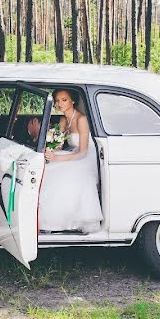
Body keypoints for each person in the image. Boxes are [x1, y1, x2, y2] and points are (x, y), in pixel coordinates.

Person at [38, 88, 103, 233]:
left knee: (59, 174)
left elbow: (83, 151)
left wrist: (58, 158)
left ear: (72, 100)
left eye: (64, 100)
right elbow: (59, 144)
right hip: (73, 154)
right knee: (46, 167)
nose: (60, 103)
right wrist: (50, 150)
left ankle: (56, 221)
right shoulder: (63, 119)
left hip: (87, 158)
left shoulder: (82, 120)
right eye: (57, 100)